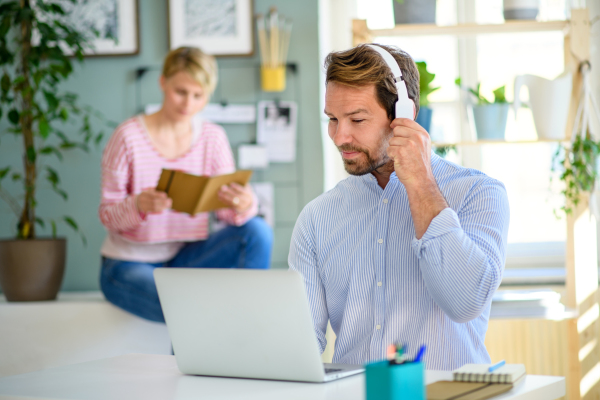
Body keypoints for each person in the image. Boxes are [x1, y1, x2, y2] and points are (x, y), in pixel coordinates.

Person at [288, 44, 510, 370]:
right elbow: (299, 341)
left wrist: (420, 183)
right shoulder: (317, 218)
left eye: (357, 119)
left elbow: (466, 303)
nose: (339, 136)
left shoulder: (478, 193)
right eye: (333, 119)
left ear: (403, 116)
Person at [99, 47, 273, 323]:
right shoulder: (127, 137)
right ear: (162, 82)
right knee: (185, 307)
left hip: (185, 260)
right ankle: (242, 325)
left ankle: (249, 314)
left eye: (198, 96)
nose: (188, 104)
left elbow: (227, 215)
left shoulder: (212, 138)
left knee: (257, 231)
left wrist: (243, 204)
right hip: (128, 263)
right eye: (181, 92)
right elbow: (108, 215)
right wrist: (138, 205)